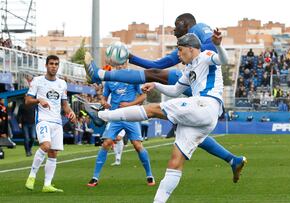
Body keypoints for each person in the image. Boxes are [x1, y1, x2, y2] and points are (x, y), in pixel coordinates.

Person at [95, 31, 247, 202]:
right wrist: (155, 84)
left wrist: (218, 44)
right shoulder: (189, 69)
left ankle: (104, 115)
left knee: (152, 109)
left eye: (180, 50)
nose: (179, 55)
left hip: (206, 104)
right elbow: (175, 90)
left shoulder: (206, 56)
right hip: (203, 117)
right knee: (175, 162)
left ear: (191, 49)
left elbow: (224, 60)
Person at [84, 13, 243, 175]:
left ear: (185, 24)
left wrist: (195, 51)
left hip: (205, 90)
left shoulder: (198, 30)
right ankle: (233, 160)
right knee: (195, 134)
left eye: (176, 25)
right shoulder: (185, 46)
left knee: (155, 81)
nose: (173, 30)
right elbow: (157, 65)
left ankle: (100, 77)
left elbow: (212, 48)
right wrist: (130, 57)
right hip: (196, 88)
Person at [87, 62, 155, 187]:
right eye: (117, 63)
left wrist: (129, 105)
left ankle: (149, 175)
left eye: (122, 63)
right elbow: (104, 97)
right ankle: (95, 177)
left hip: (131, 115)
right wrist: (104, 102)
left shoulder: (133, 78)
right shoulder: (110, 79)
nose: (120, 66)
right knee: (106, 143)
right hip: (115, 116)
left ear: (126, 64)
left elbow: (142, 97)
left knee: (137, 145)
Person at [24, 55, 76, 192]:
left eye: (56, 64)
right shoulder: (37, 81)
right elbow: (27, 100)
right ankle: (32, 176)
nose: (54, 66)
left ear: (58, 66)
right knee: (46, 146)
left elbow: (64, 104)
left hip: (57, 122)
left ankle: (47, 185)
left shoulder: (62, 83)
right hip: (43, 120)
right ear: (46, 65)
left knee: (53, 153)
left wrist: (70, 112)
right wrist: (38, 100)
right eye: (51, 63)